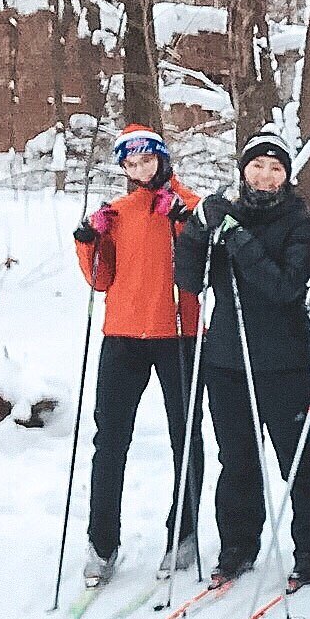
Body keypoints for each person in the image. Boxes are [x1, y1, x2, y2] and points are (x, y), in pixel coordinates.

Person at [172, 132, 310, 589]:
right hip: (226, 359)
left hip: (283, 362)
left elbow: (284, 288)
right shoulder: (228, 214)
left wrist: (239, 239)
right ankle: (239, 545)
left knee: (296, 456)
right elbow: (189, 278)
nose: (265, 176)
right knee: (237, 458)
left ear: (287, 176)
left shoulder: (299, 223)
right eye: (257, 166)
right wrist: (198, 230)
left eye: (276, 168)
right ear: (244, 170)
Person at [72, 125, 204, 583]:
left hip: (178, 333)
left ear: (162, 159)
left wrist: (185, 221)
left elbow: (204, 263)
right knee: (110, 439)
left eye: (146, 161)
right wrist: (88, 238)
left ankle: (183, 531)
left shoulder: (191, 204)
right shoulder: (119, 211)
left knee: (184, 435)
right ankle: (101, 541)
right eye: (130, 164)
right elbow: (100, 278)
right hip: (123, 335)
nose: (139, 170)